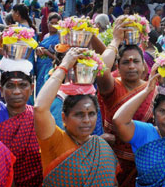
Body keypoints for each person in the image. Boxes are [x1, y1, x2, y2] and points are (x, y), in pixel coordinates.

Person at [34, 48, 117, 186]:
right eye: (79, 114)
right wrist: (64, 66)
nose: (86, 120)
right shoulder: (55, 140)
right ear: (64, 118)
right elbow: (39, 108)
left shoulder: (101, 146)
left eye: (91, 114)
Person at [97, 24, 156, 187]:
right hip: (113, 162)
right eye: (126, 62)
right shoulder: (112, 87)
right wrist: (115, 40)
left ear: (144, 65)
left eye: (136, 61)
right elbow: (100, 69)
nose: (131, 66)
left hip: (145, 162)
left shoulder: (153, 89)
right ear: (118, 66)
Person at [0, 62, 43, 186]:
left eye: (23, 85)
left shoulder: (38, 117)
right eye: (10, 86)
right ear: (1, 90)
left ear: (32, 88)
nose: (17, 92)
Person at [35, 12, 61, 95]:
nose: (53, 25)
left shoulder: (60, 38)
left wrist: (46, 52)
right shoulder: (46, 36)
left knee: (47, 90)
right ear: (47, 23)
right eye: (51, 23)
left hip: (50, 68)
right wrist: (38, 49)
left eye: (56, 23)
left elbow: (59, 59)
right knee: (39, 89)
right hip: (40, 66)